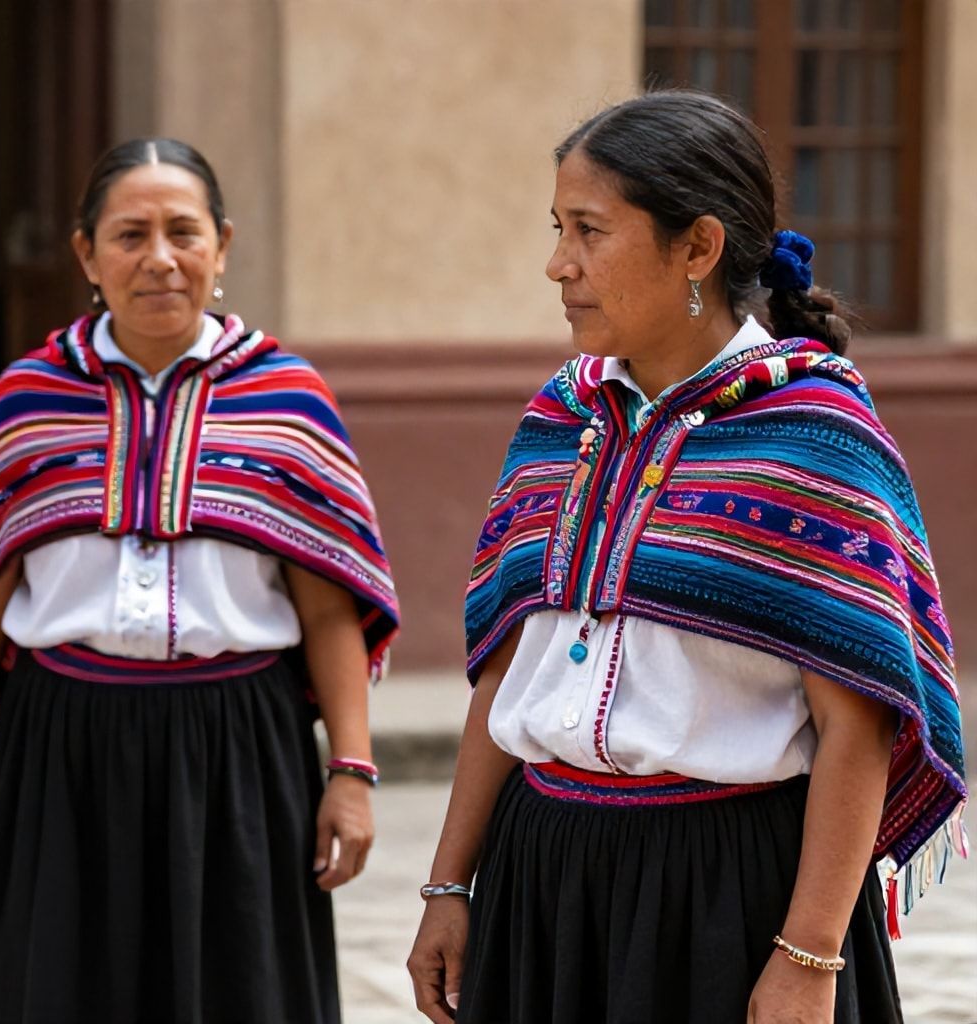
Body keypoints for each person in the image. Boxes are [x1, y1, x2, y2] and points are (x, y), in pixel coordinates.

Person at [407, 90, 965, 1024]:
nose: (558, 264)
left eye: (589, 230)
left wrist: (810, 956)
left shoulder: (815, 437)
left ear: (698, 247)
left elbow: (857, 726)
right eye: (557, 228)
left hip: (724, 894)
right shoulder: (563, 419)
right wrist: (448, 887)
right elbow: (505, 672)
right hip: (543, 879)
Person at [0, 137, 401, 1023]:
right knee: (56, 990)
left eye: (184, 231)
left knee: (238, 993)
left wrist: (352, 775)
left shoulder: (289, 395)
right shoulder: (27, 396)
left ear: (223, 246)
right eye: (131, 235)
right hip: (62, 743)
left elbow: (330, 610)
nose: (160, 258)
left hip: (241, 748)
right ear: (86, 255)